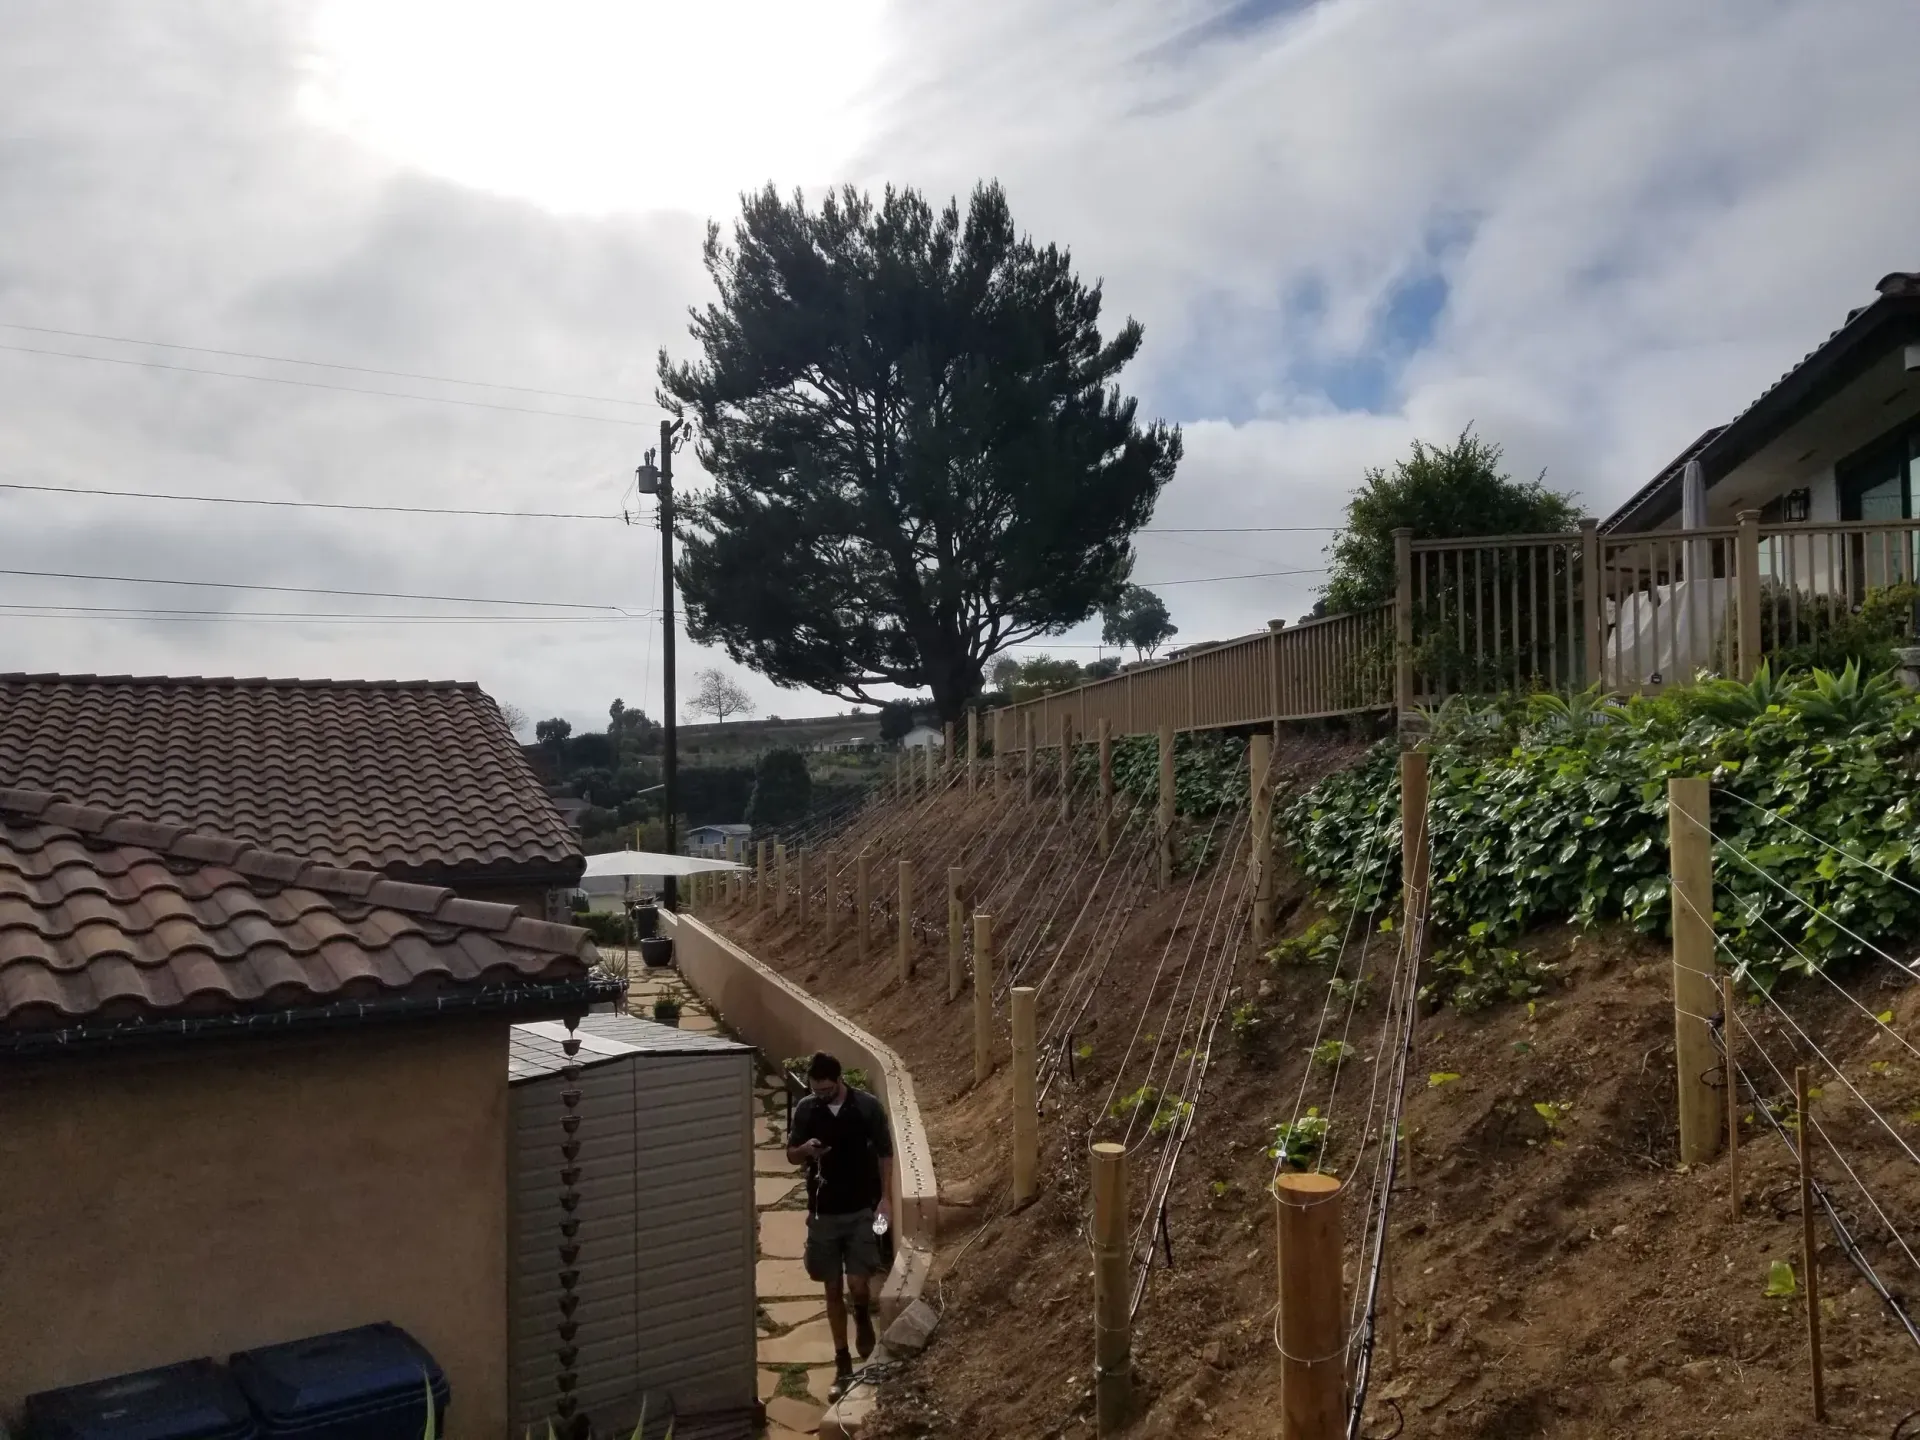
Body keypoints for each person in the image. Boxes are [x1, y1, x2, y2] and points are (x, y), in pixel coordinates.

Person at [785, 1051, 894, 1396]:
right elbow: (790, 1154)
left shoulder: (867, 1107)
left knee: (859, 1282)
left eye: (827, 1090)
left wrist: (886, 1198)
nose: (821, 1095)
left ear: (839, 1080)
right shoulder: (806, 1109)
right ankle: (842, 1361)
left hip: (862, 1208)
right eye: (816, 1090)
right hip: (823, 1211)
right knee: (830, 1287)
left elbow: (885, 1152)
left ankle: (861, 1314)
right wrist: (807, 1150)